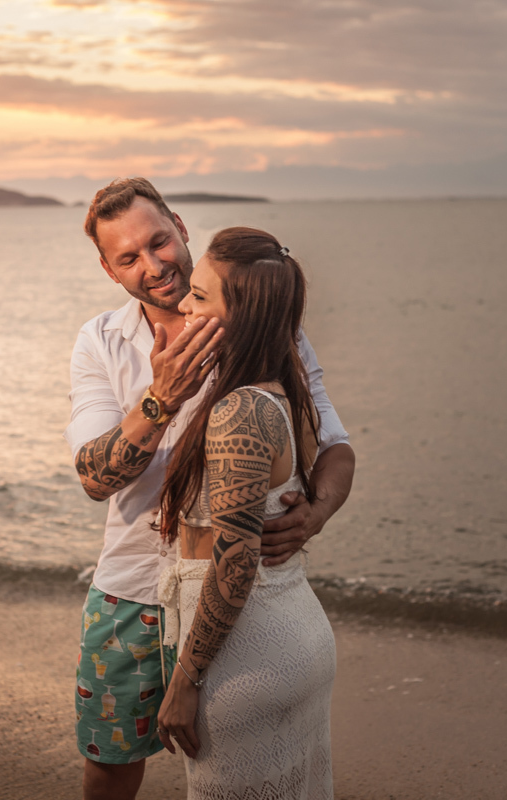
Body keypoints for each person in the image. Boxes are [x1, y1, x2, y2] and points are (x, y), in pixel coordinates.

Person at [67, 178, 354, 800]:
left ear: (179, 225)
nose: (153, 265)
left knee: (244, 760)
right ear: (107, 267)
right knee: (110, 762)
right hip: (133, 592)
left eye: (158, 241)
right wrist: (160, 398)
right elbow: (94, 477)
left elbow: (334, 445)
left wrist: (320, 511)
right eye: (128, 257)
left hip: (229, 598)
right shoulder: (100, 341)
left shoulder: (262, 328)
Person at [154, 228, 335, 799]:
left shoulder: (238, 411)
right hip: (294, 632)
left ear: (245, 315)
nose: (184, 301)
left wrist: (185, 680)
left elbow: (235, 563)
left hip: (247, 656)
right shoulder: (289, 388)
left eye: (201, 296)